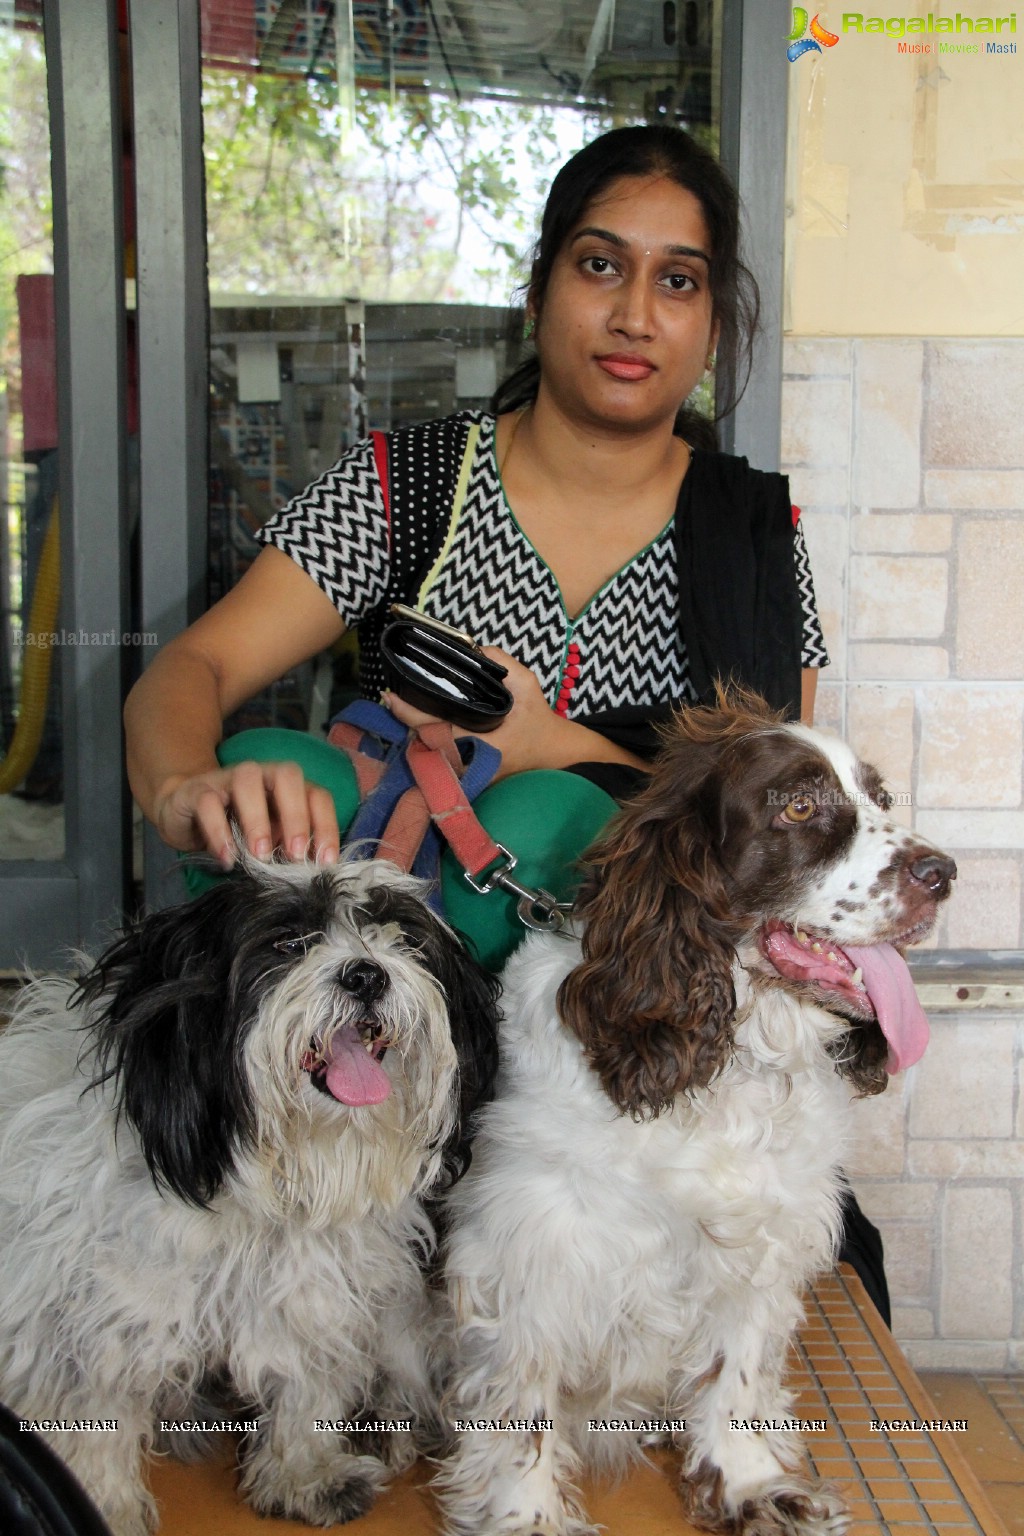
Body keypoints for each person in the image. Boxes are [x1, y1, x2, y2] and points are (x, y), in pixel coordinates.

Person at [125, 124, 829, 873]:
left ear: (714, 328)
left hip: (630, 966)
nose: (635, 315)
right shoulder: (410, 482)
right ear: (536, 296)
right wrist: (180, 784)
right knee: (273, 768)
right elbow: (196, 665)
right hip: (393, 947)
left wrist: (552, 746)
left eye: (678, 281)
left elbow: (774, 816)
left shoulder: (754, 537)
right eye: (599, 265)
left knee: (542, 822)